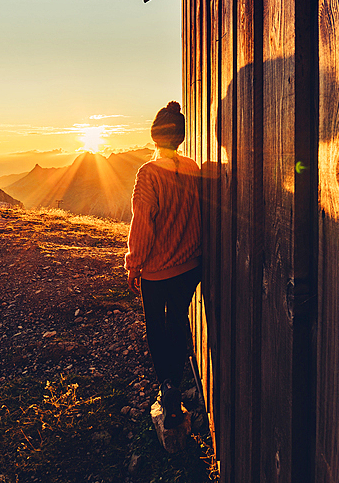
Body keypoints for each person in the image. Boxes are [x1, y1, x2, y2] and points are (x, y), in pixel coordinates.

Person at [125, 101, 202, 430]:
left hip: (157, 270)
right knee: (178, 321)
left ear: (154, 136)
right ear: (181, 138)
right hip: (190, 266)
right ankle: (177, 384)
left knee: (156, 326)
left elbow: (143, 225)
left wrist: (134, 264)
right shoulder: (193, 168)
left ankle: (168, 386)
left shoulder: (148, 174)